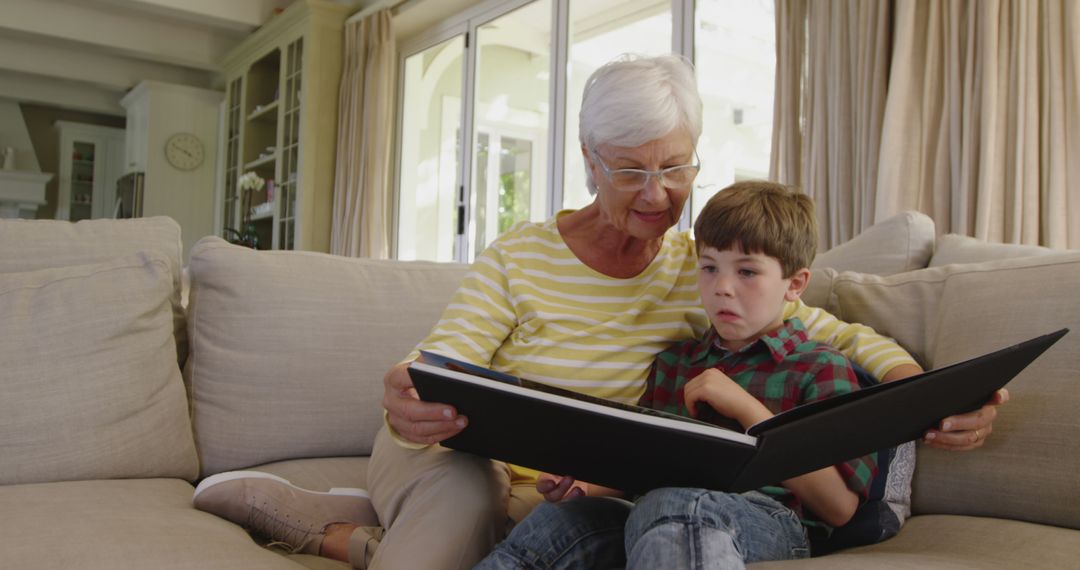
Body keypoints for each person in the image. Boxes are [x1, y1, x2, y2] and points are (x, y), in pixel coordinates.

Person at [192, 54, 1006, 570]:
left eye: (675, 168)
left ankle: (348, 537)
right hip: (464, 464)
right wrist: (409, 397)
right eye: (629, 171)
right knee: (466, 512)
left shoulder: (704, 270)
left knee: (570, 534)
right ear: (587, 161)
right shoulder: (521, 255)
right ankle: (351, 526)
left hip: (588, 488)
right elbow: (438, 370)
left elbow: (832, 330)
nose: (658, 196)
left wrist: (930, 389)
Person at [477, 180, 880, 569]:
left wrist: (747, 410)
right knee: (558, 522)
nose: (722, 287)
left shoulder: (820, 366)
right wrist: (586, 486)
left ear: (795, 284)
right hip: (656, 511)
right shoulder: (675, 364)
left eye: (747, 272)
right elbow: (644, 470)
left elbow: (840, 508)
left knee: (676, 503)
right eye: (709, 267)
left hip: (770, 521)